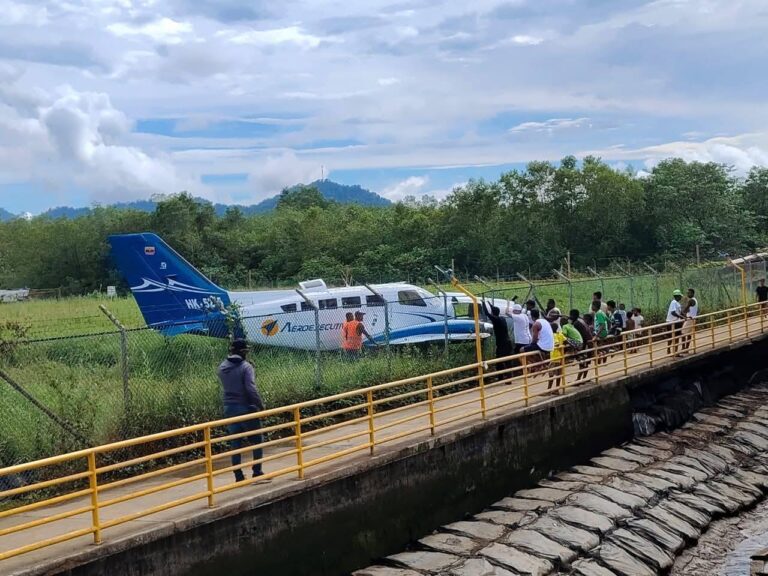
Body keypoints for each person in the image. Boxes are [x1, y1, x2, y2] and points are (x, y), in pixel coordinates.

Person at [217, 339, 267, 483]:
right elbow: (251, 388)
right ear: (243, 352)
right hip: (246, 407)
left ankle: (238, 475)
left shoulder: (222, 367)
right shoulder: (246, 367)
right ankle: (257, 472)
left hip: (229, 408)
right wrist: (260, 405)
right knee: (257, 440)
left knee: (235, 442)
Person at [483, 300, 514, 381]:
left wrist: (483, 303)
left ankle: (501, 378)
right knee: (507, 361)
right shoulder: (502, 318)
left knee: (500, 361)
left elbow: (487, 313)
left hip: (502, 344)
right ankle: (508, 377)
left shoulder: (495, 320)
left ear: (493, 313)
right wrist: (489, 304)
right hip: (507, 342)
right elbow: (494, 309)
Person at [569, 310, 592, 382]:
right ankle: (584, 379)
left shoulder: (576, 324)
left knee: (582, 362)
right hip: (586, 344)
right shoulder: (580, 322)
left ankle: (579, 380)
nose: (569, 317)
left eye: (570, 315)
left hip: (583, 345)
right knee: (585, 362)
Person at [548, 322, 567, 392]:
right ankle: (557, 389)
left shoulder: (553, 335)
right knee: (559, 374)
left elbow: (557, 344)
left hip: (554, 357)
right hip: (561, 357)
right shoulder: (560, 334)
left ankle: (549, 389)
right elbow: (565, 341)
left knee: (551, 374)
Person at [666, 289, 685, 355]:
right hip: (672, 322)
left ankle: (672, 351)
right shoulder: (674, 302)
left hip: (675, 322)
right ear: (677, 296)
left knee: (674, 336)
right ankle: (673, 351)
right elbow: (673, 312)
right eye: (680, 296)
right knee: (674, 337)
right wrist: (681, 316)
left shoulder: (677, 303)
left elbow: (679, 311)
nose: (680, 298)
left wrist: (684, 315)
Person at [680, 288, 698, 354]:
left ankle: (684, 348)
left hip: (690, 319)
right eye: (687, 293)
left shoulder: (691, 301)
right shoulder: (694, 300)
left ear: (693, 293)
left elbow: (685, 310)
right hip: (693, 318)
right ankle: (686, 349)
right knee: (689, 334)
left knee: (682, 332)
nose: (688, 294)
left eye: (689, 293)